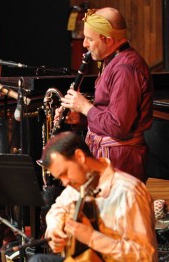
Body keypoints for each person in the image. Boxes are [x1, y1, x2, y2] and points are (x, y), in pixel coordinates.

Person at [58, 7, 153, 183]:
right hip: (110, 159)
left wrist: (85, 107)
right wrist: (82, 118)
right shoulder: (113, 62)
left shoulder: (125, 70)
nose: (85, 44)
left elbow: (119, 127)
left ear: (108, 40)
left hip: (120, 163)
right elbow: (109, 114)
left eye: (89, 39)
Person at [29, 131, 157, 262]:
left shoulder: (128, 192)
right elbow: (57, 209)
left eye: (65, 173)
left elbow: (144, 255)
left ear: (79, 156)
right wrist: (54, 230)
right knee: (38, 260)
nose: (65, 182)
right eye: (60, 177)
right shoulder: (79, 185)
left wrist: (92, 238)